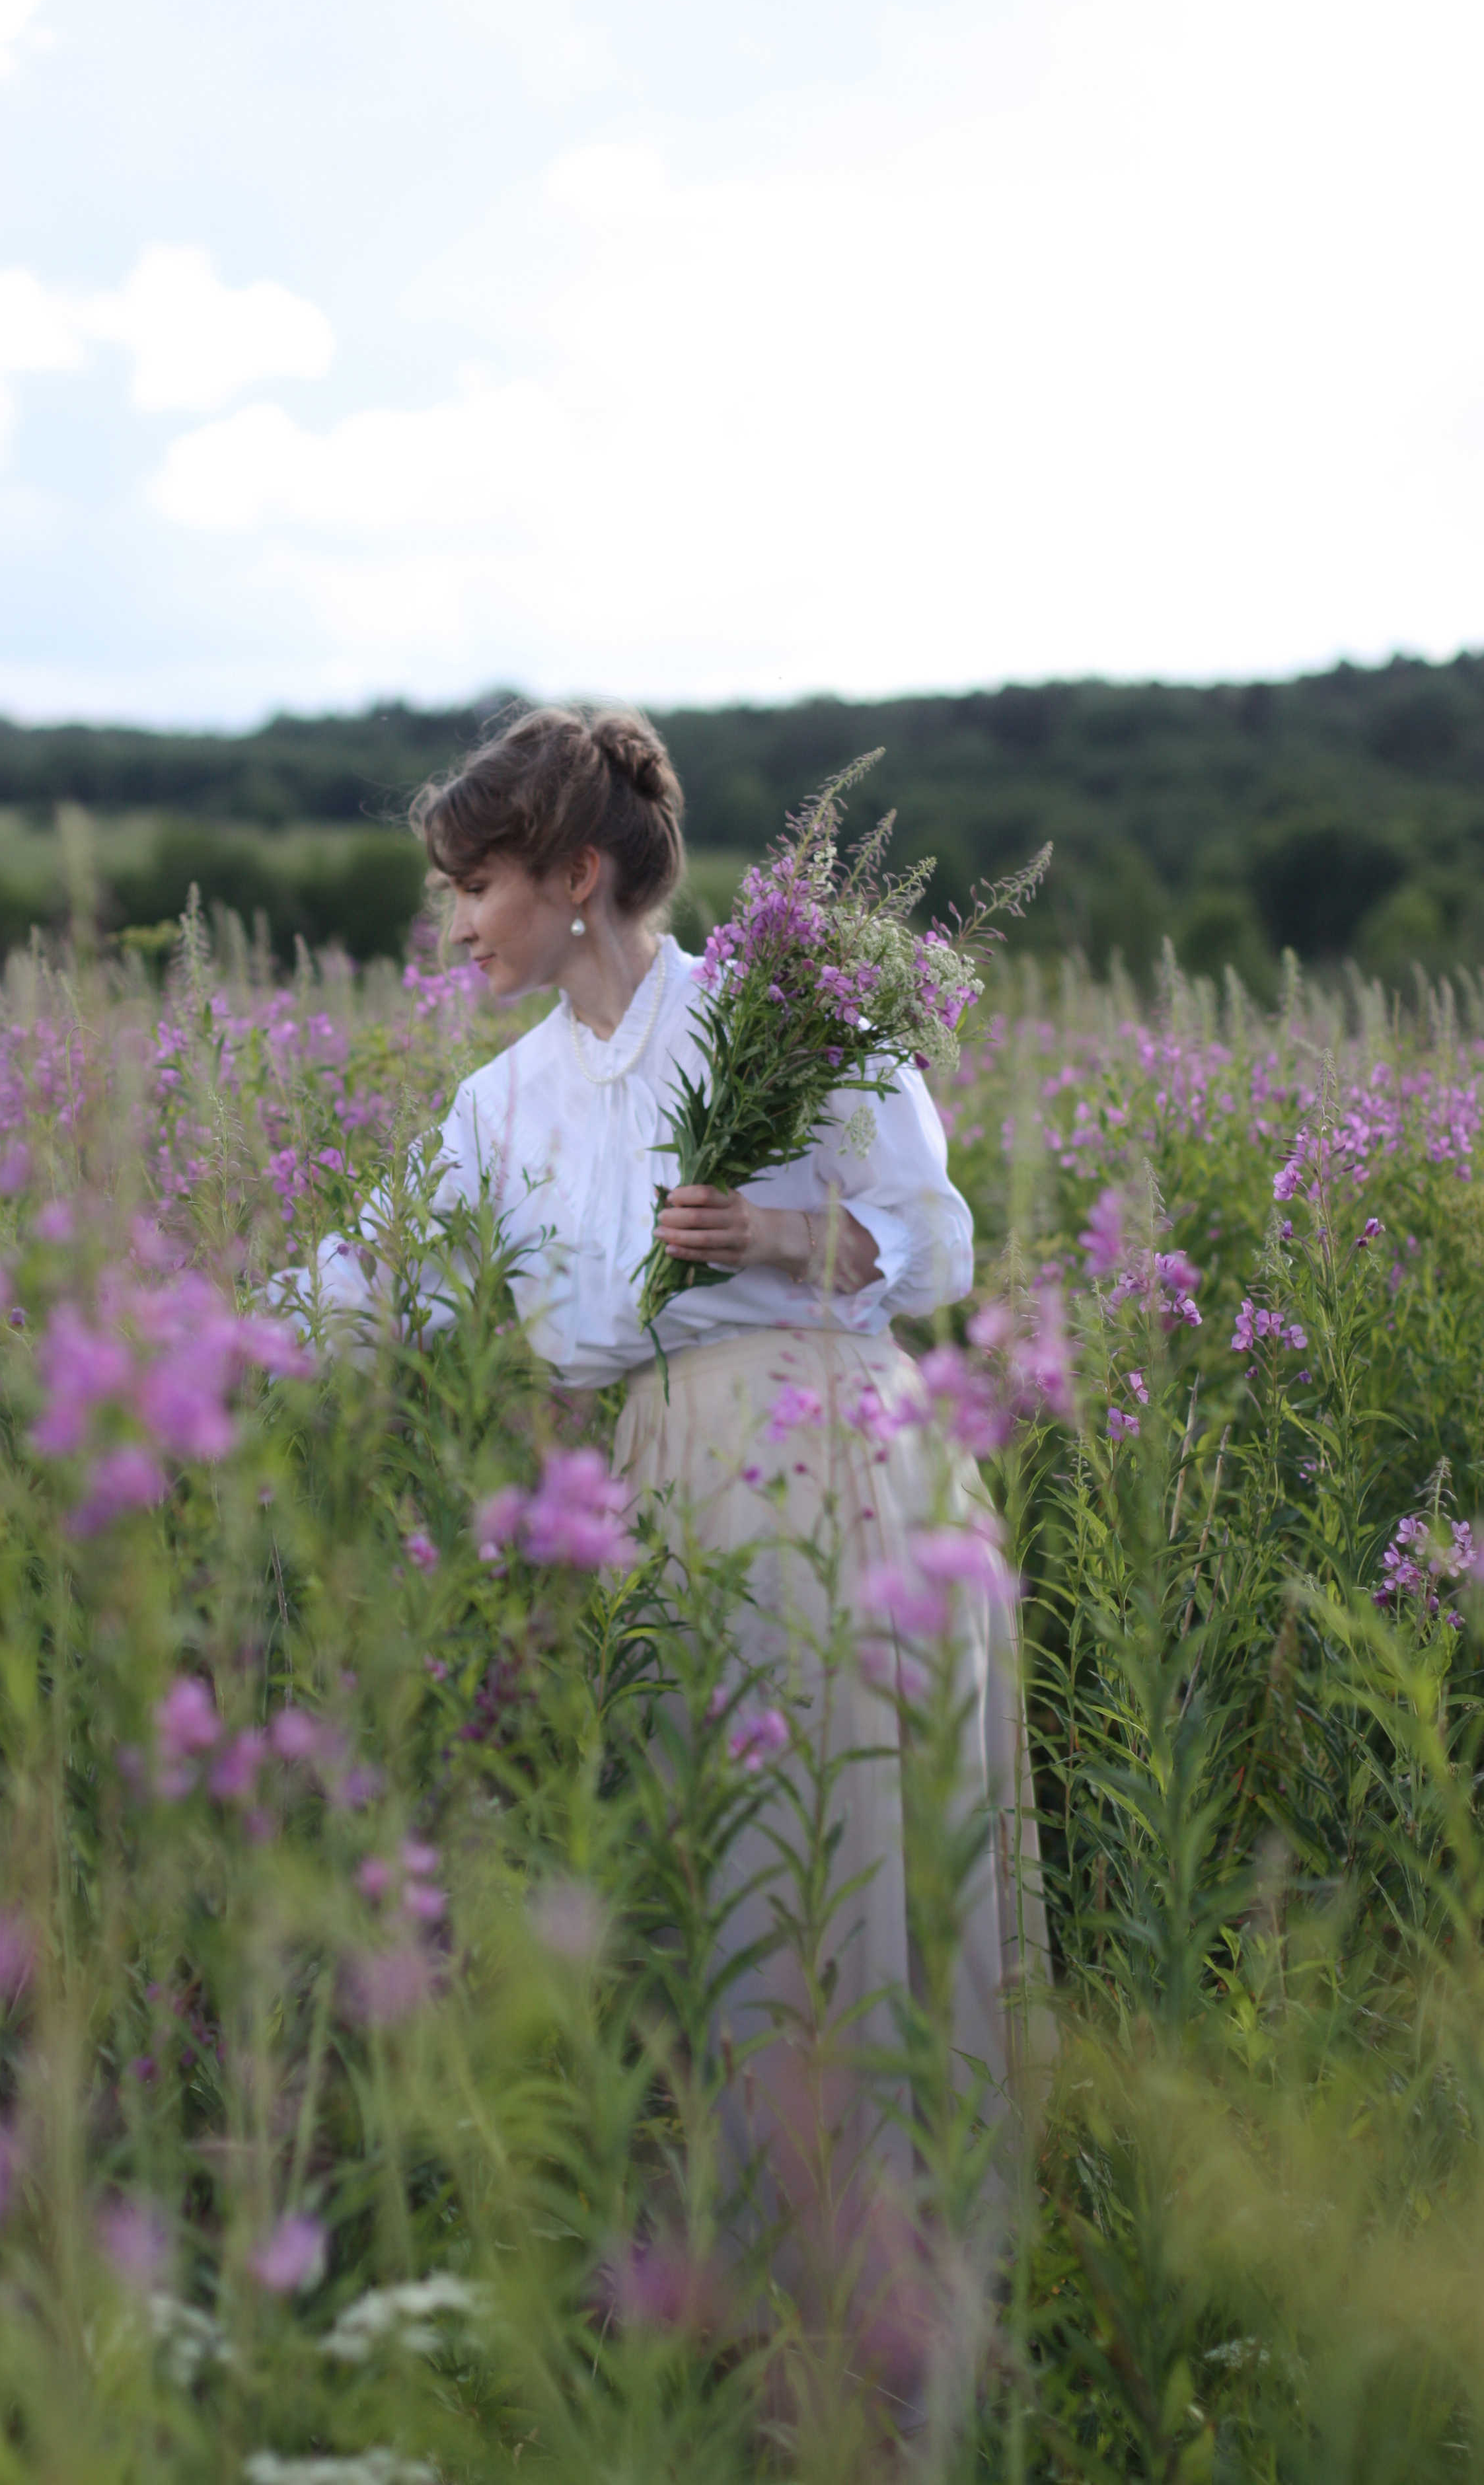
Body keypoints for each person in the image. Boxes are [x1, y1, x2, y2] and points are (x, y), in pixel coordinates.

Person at [298, 702, 1047, 2367]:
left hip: (825, 1475)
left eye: (473, 885)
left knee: (840, 1875)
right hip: (642, 1502)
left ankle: (876, 2325)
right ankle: (717, 2313)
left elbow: (931, 1251)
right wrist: (192, 1344)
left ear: (573, 877)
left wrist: (779, 1230)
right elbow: (371, 1280)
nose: (454, 923)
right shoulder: (504, 1103)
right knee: (696, 1890)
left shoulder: (779, 1015)